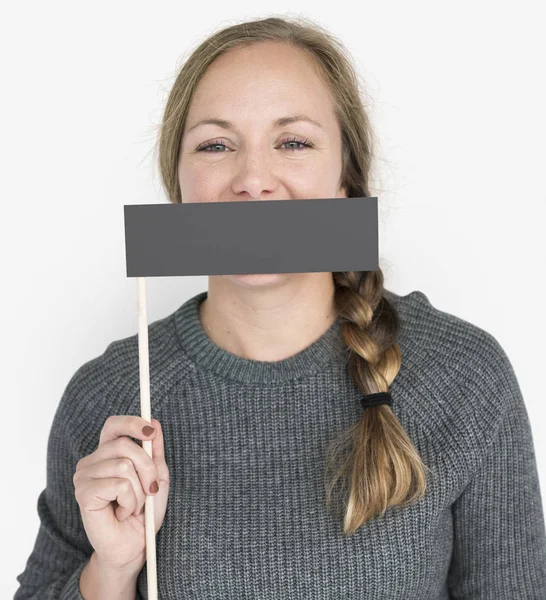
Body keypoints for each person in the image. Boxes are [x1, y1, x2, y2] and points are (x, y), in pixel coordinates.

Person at [14, 15, 546, 600]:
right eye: (216, 145)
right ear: (179, 182)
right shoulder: (109, 397)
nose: (253, 178)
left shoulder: (464, 376)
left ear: (345, 177)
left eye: (292, 142)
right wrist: (111, 571)